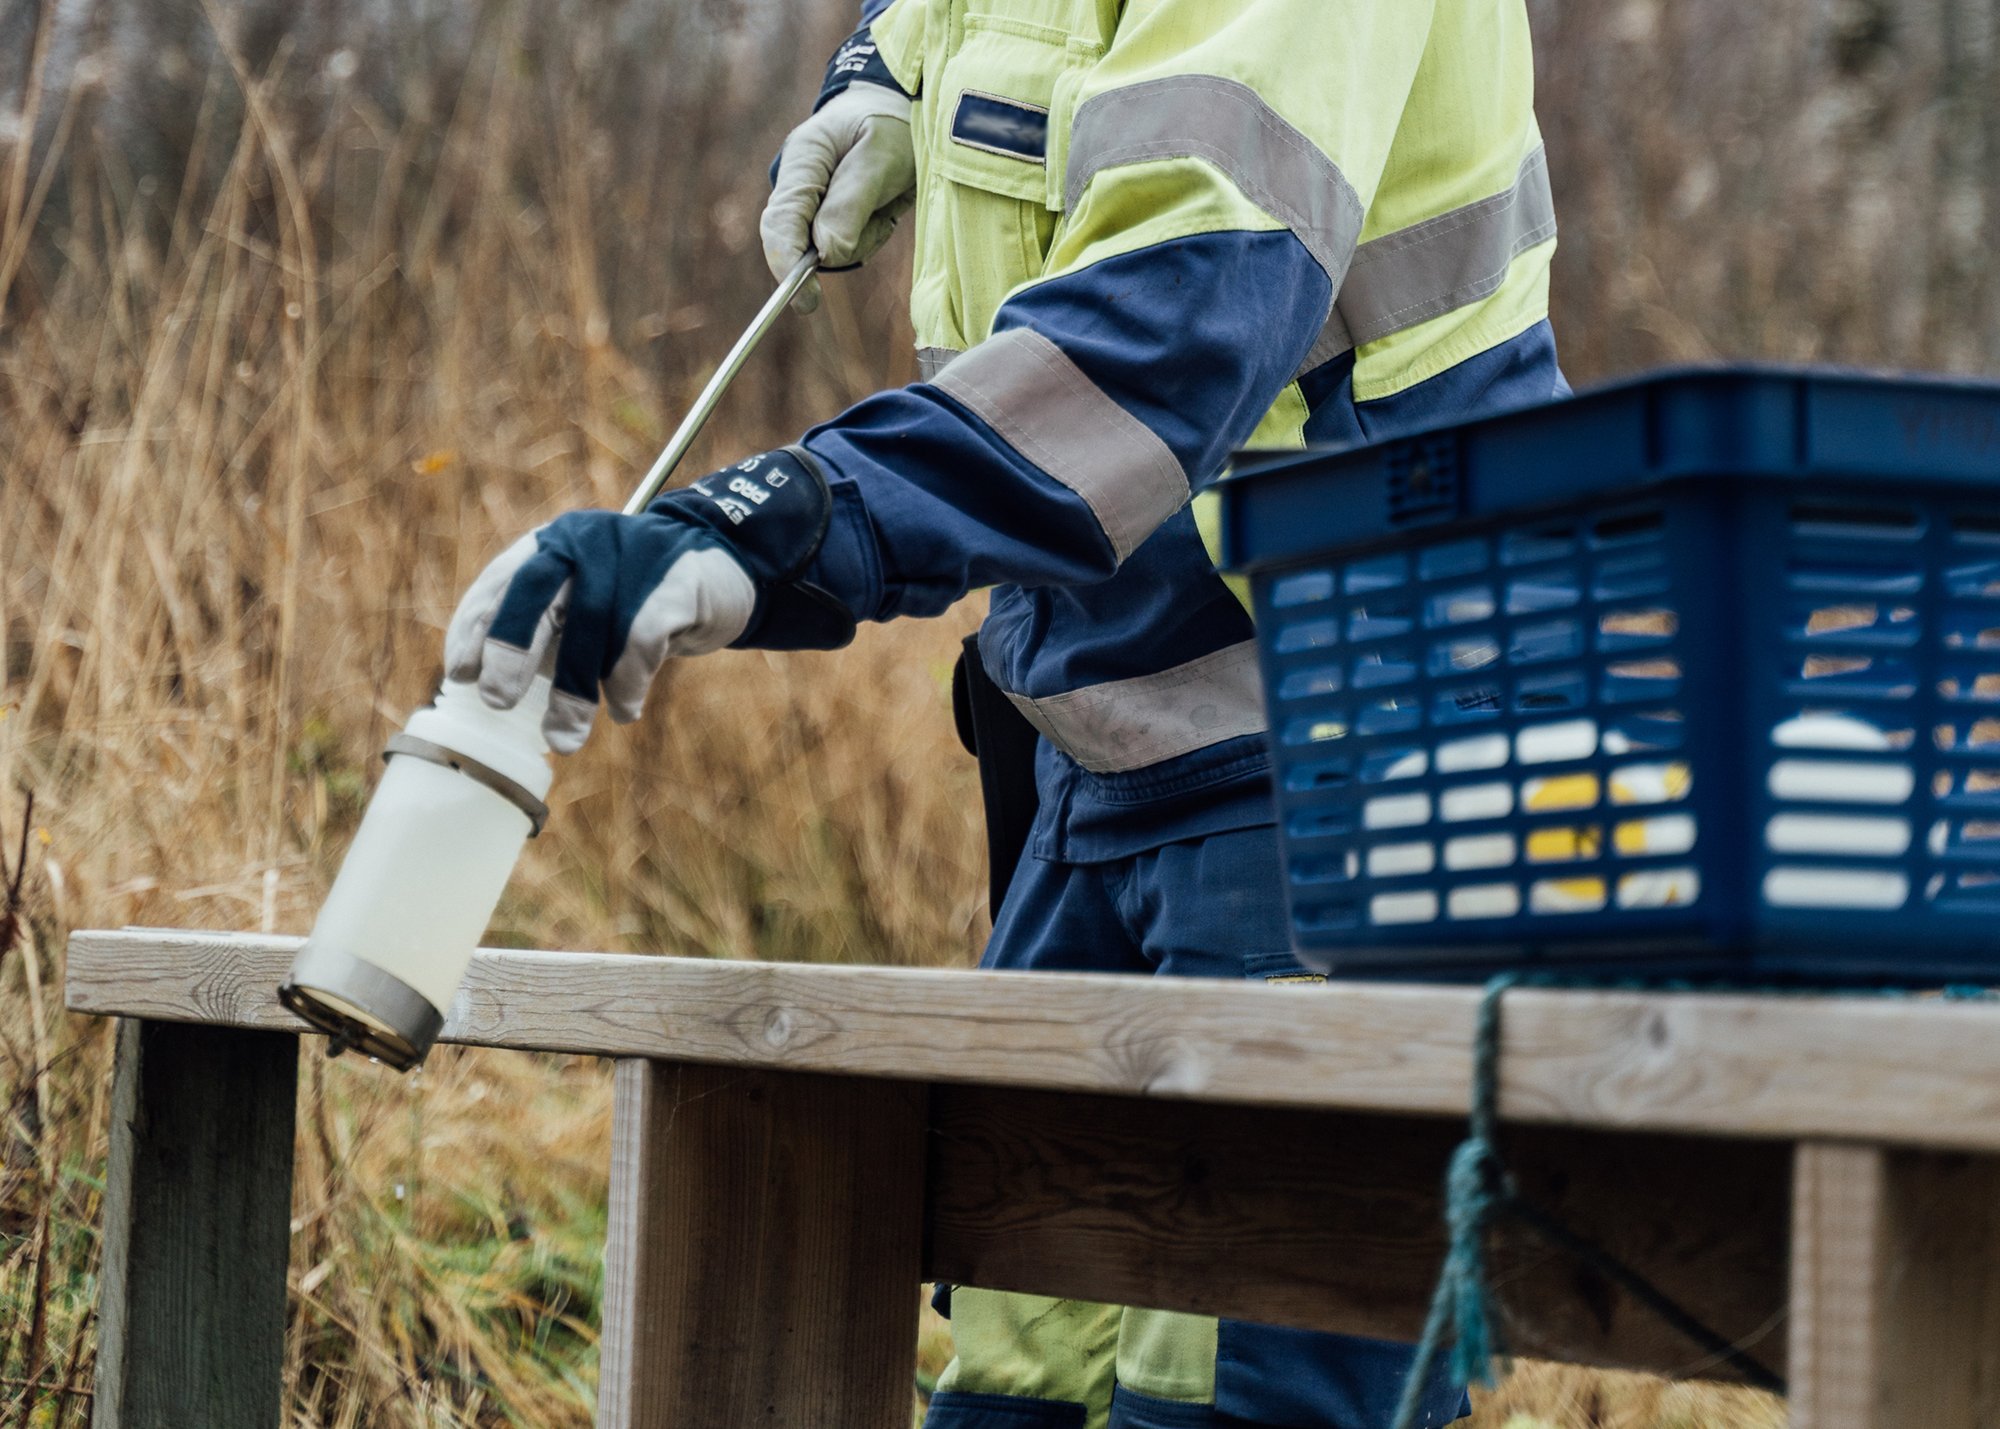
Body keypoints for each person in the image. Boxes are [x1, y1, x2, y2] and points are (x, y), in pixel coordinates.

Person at [446, 1, 1566, 1423]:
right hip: (1101, 743)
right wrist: (884, 70)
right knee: (1022, 1383)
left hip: (1347, 752)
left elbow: (1183, 308)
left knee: (1235, 1390)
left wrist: (798, 518)